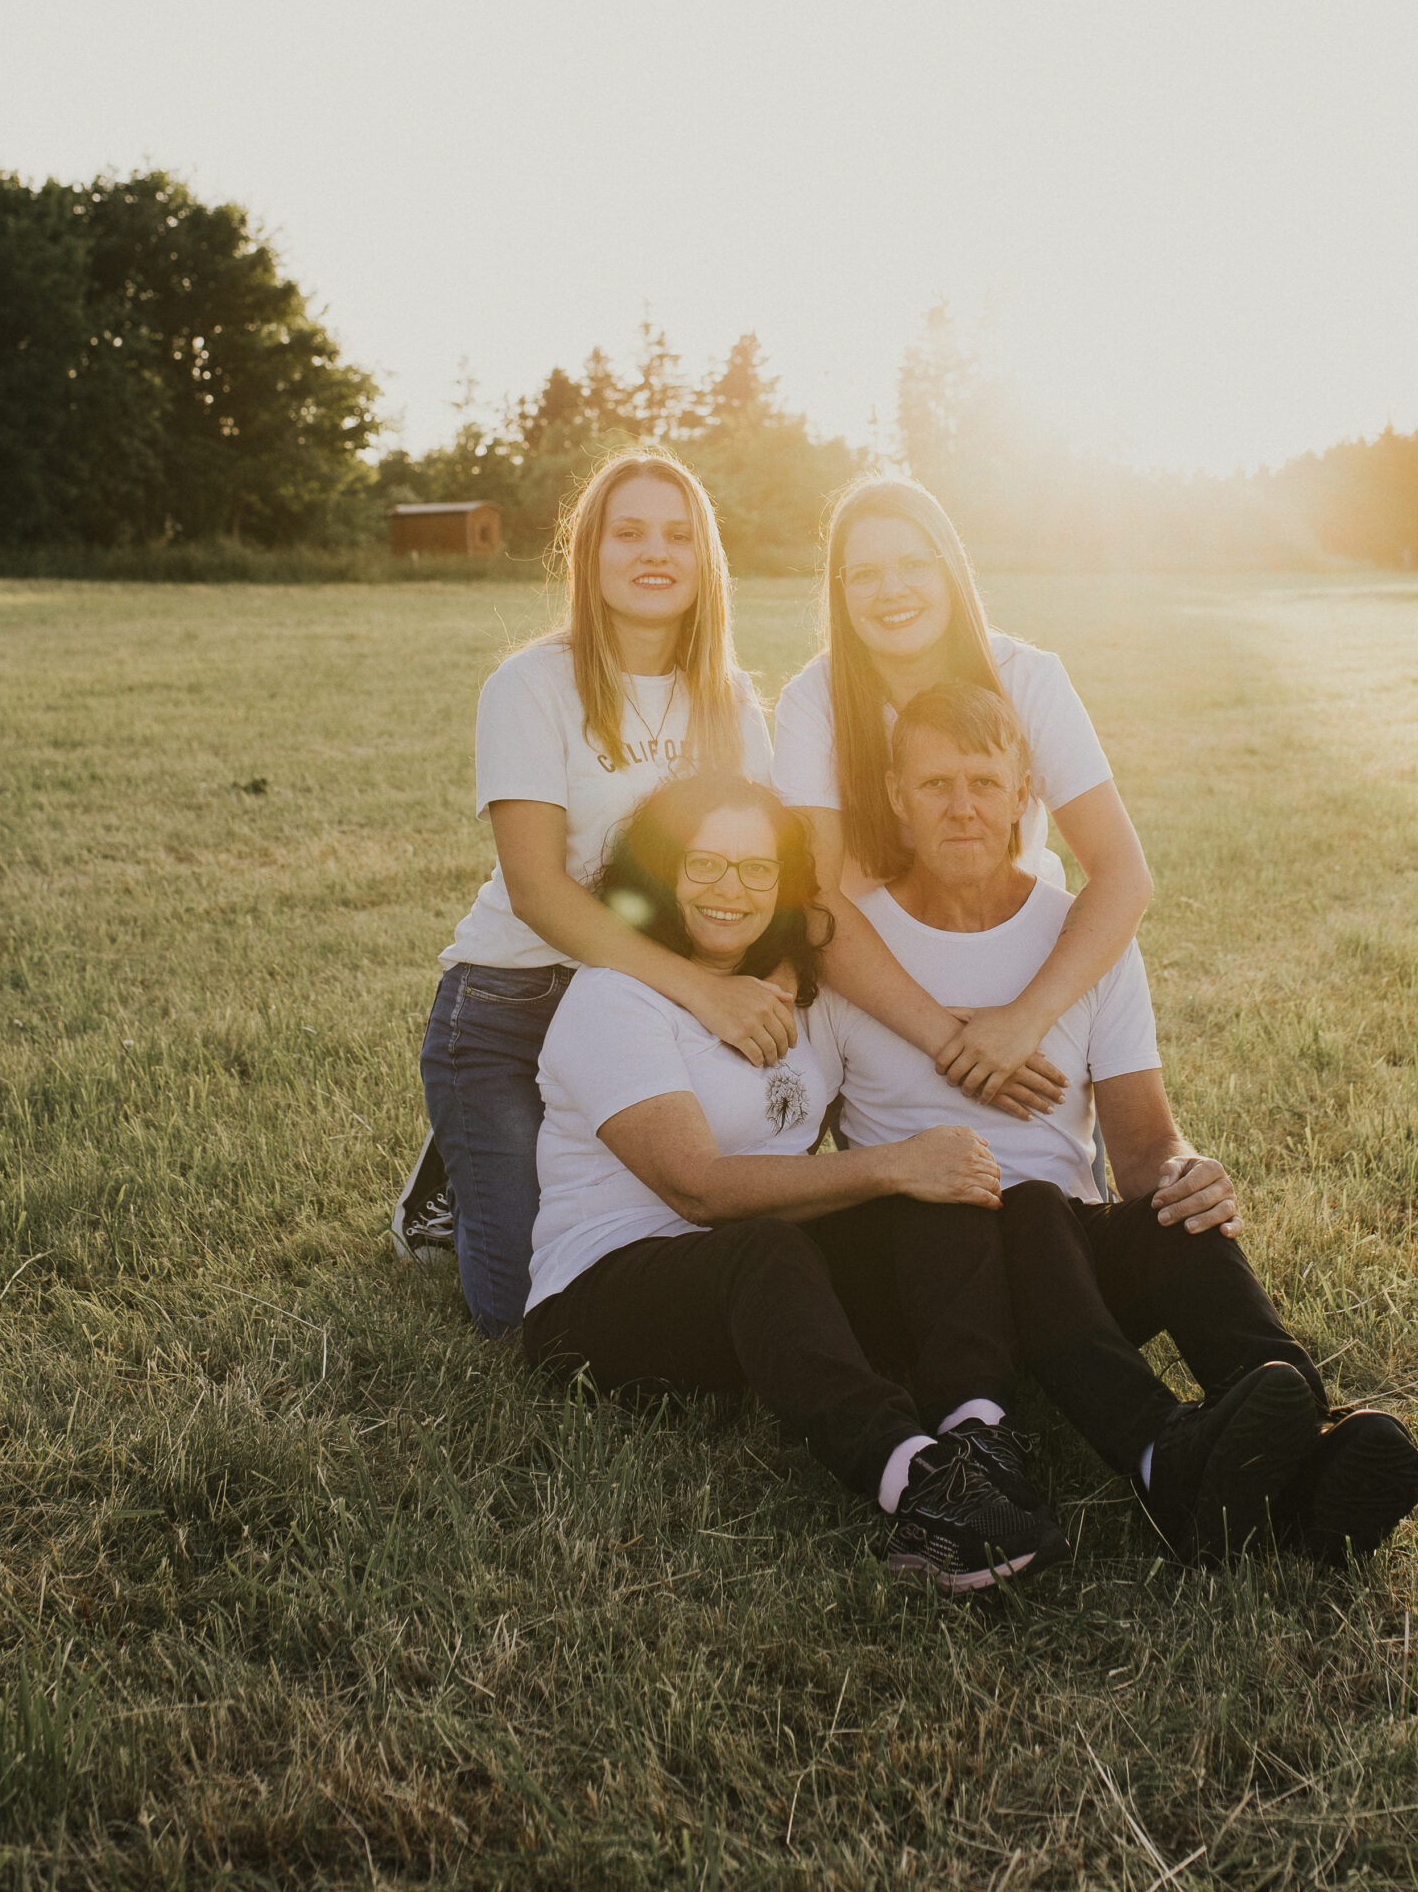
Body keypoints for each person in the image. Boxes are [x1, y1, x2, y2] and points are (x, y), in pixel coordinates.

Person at [818, 680, 1418, 1566]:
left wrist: (1186, 1171)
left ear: (1022, 794)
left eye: (984, 783)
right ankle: (1153, 1453)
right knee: (1029, 1202)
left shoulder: (1082, 936)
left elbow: (1143, 1144)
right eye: (934, 784)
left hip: (1067, 1272)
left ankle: (1311, 1443)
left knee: (1172, 1214)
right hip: (930, 1288)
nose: (961, 807)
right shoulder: (852, 949)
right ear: (894, 799)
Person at [522, 769, 1069, 1593]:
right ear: (660, 871)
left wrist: (926, 1161)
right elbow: (696, 1189)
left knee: (937, 1197)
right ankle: (919, 1484)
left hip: (753, 1271)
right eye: (704, 864)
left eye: (756, 869)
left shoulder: (801, 991)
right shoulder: (614, 999)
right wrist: (889, 1163)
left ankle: (977, 1432)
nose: (730, 890)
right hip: (600, 1296)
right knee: (780, 1240)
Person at [394, 451, 796, 1337]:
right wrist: (706, 994)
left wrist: (770, 982)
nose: (655, 553)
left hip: (644, 1017)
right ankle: (452, 1175)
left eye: (678, 535)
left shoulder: (728, 699)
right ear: (589, 552)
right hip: (513, 1006)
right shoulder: (530, 686)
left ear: (705, 560)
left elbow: (765, 863)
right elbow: (537, 892)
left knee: (664, 1242)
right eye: (629, 532)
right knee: (522, 1314)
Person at [772, 476, 1155, 1120]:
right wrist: (955, 1045)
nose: (892, 590)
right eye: (864, 574)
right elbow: (816, 897)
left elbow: (1123, 874)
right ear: (840, 592)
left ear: (950, 569)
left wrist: (1024, 1020)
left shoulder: (1027, 678)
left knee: (1057, 1159)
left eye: (914, 564)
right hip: (870, 973)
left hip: (1014, 959)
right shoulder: (813, 700)